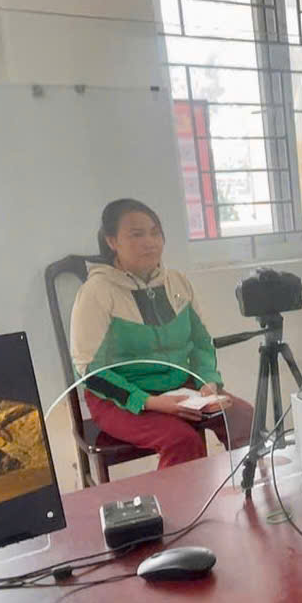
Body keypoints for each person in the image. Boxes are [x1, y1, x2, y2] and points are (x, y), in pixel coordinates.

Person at [70, 199, 253, 469]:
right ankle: (182, 499)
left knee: (243, 417)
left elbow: (202, 344)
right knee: (182, 440)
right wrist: (149, 402)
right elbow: (89, 371)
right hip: (121, 400)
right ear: (112, 241)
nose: (150, 242)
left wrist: (208, 382)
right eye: (137, 234)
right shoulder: (96, 292)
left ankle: (244, 486)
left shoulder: (177, 282)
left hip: (181, 388)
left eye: (155, 233)